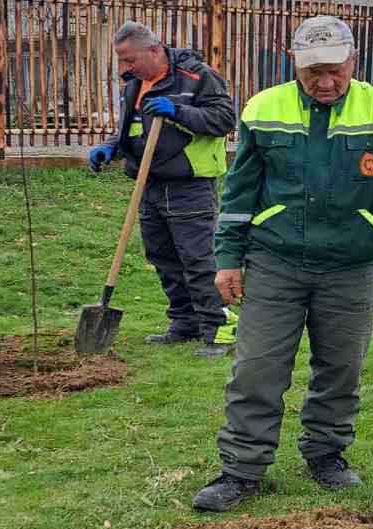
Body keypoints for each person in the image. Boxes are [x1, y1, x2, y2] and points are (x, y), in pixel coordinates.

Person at [191, 15, 373, 512]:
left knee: (341, 368)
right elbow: (240, 190)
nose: (325, 82)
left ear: (353, 61)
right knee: (257, 369)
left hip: (351, 265)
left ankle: (327, 455)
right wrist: (228, 259)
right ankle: (241, 470)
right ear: (295, 64)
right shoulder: (263, 109)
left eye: (335, 70)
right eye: (314, 72)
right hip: (274, 260)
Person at [88, 21, 236, 358]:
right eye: (122, 62)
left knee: (197, 260)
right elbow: (130, 127)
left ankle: (218, 328)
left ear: (154, 50)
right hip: (149, 182)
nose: (125, 68)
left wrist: (178, 111)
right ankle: (185, 323)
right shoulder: (134, 85)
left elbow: (225, 119)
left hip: (189, 184)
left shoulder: (196, 77)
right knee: (164, 258)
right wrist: (112, 146)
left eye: (129, 60)